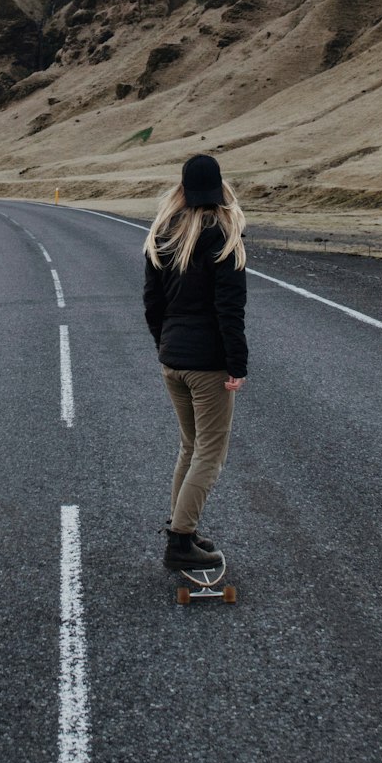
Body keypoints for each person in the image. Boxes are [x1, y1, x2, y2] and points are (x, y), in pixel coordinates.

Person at [143, 154, 248, 569]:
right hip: (207, 364)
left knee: (190, 446)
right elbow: (230, 309)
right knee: (210, 453)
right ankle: (181, 541)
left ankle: (181, 527)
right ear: (221, 190)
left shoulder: (162, 234)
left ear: (182, 190)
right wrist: (236, 365)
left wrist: (164, 345)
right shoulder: (223, 236)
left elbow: (153, 303)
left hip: (173, 360)